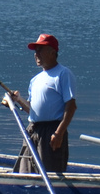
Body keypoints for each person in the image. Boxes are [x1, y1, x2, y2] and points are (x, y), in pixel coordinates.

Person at [5, 33, 76, 175]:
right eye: (35, 51)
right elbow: (32, 111)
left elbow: (71, 106)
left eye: (40, 50)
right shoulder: (35, 80)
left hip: (51, 131)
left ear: (52, 52)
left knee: (49, 171)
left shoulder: (63, 74)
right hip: (33, 130)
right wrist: (17, 100)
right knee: (25, 170)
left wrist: (59, 133)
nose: (36, 54)